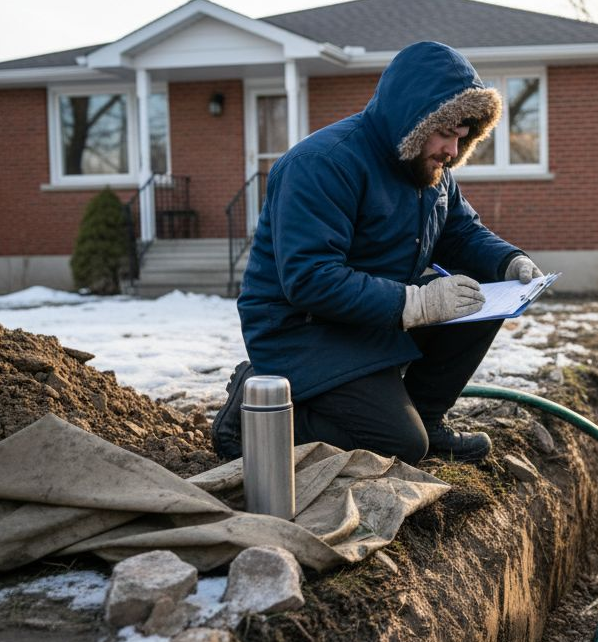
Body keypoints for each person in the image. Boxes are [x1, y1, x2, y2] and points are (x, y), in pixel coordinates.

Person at [212, 41, 542, 465]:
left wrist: (508, 261)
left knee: (478, 303)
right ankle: (251, 413)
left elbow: (461, 232)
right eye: (445, 134)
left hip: (372, 317)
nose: (452, 151)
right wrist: (416, 303)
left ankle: (427, 417)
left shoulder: (431, 170)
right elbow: (310, 278)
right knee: (401, 445)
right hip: (303, 331)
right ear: (415, 119)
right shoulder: (322, 164)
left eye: (461, 139)